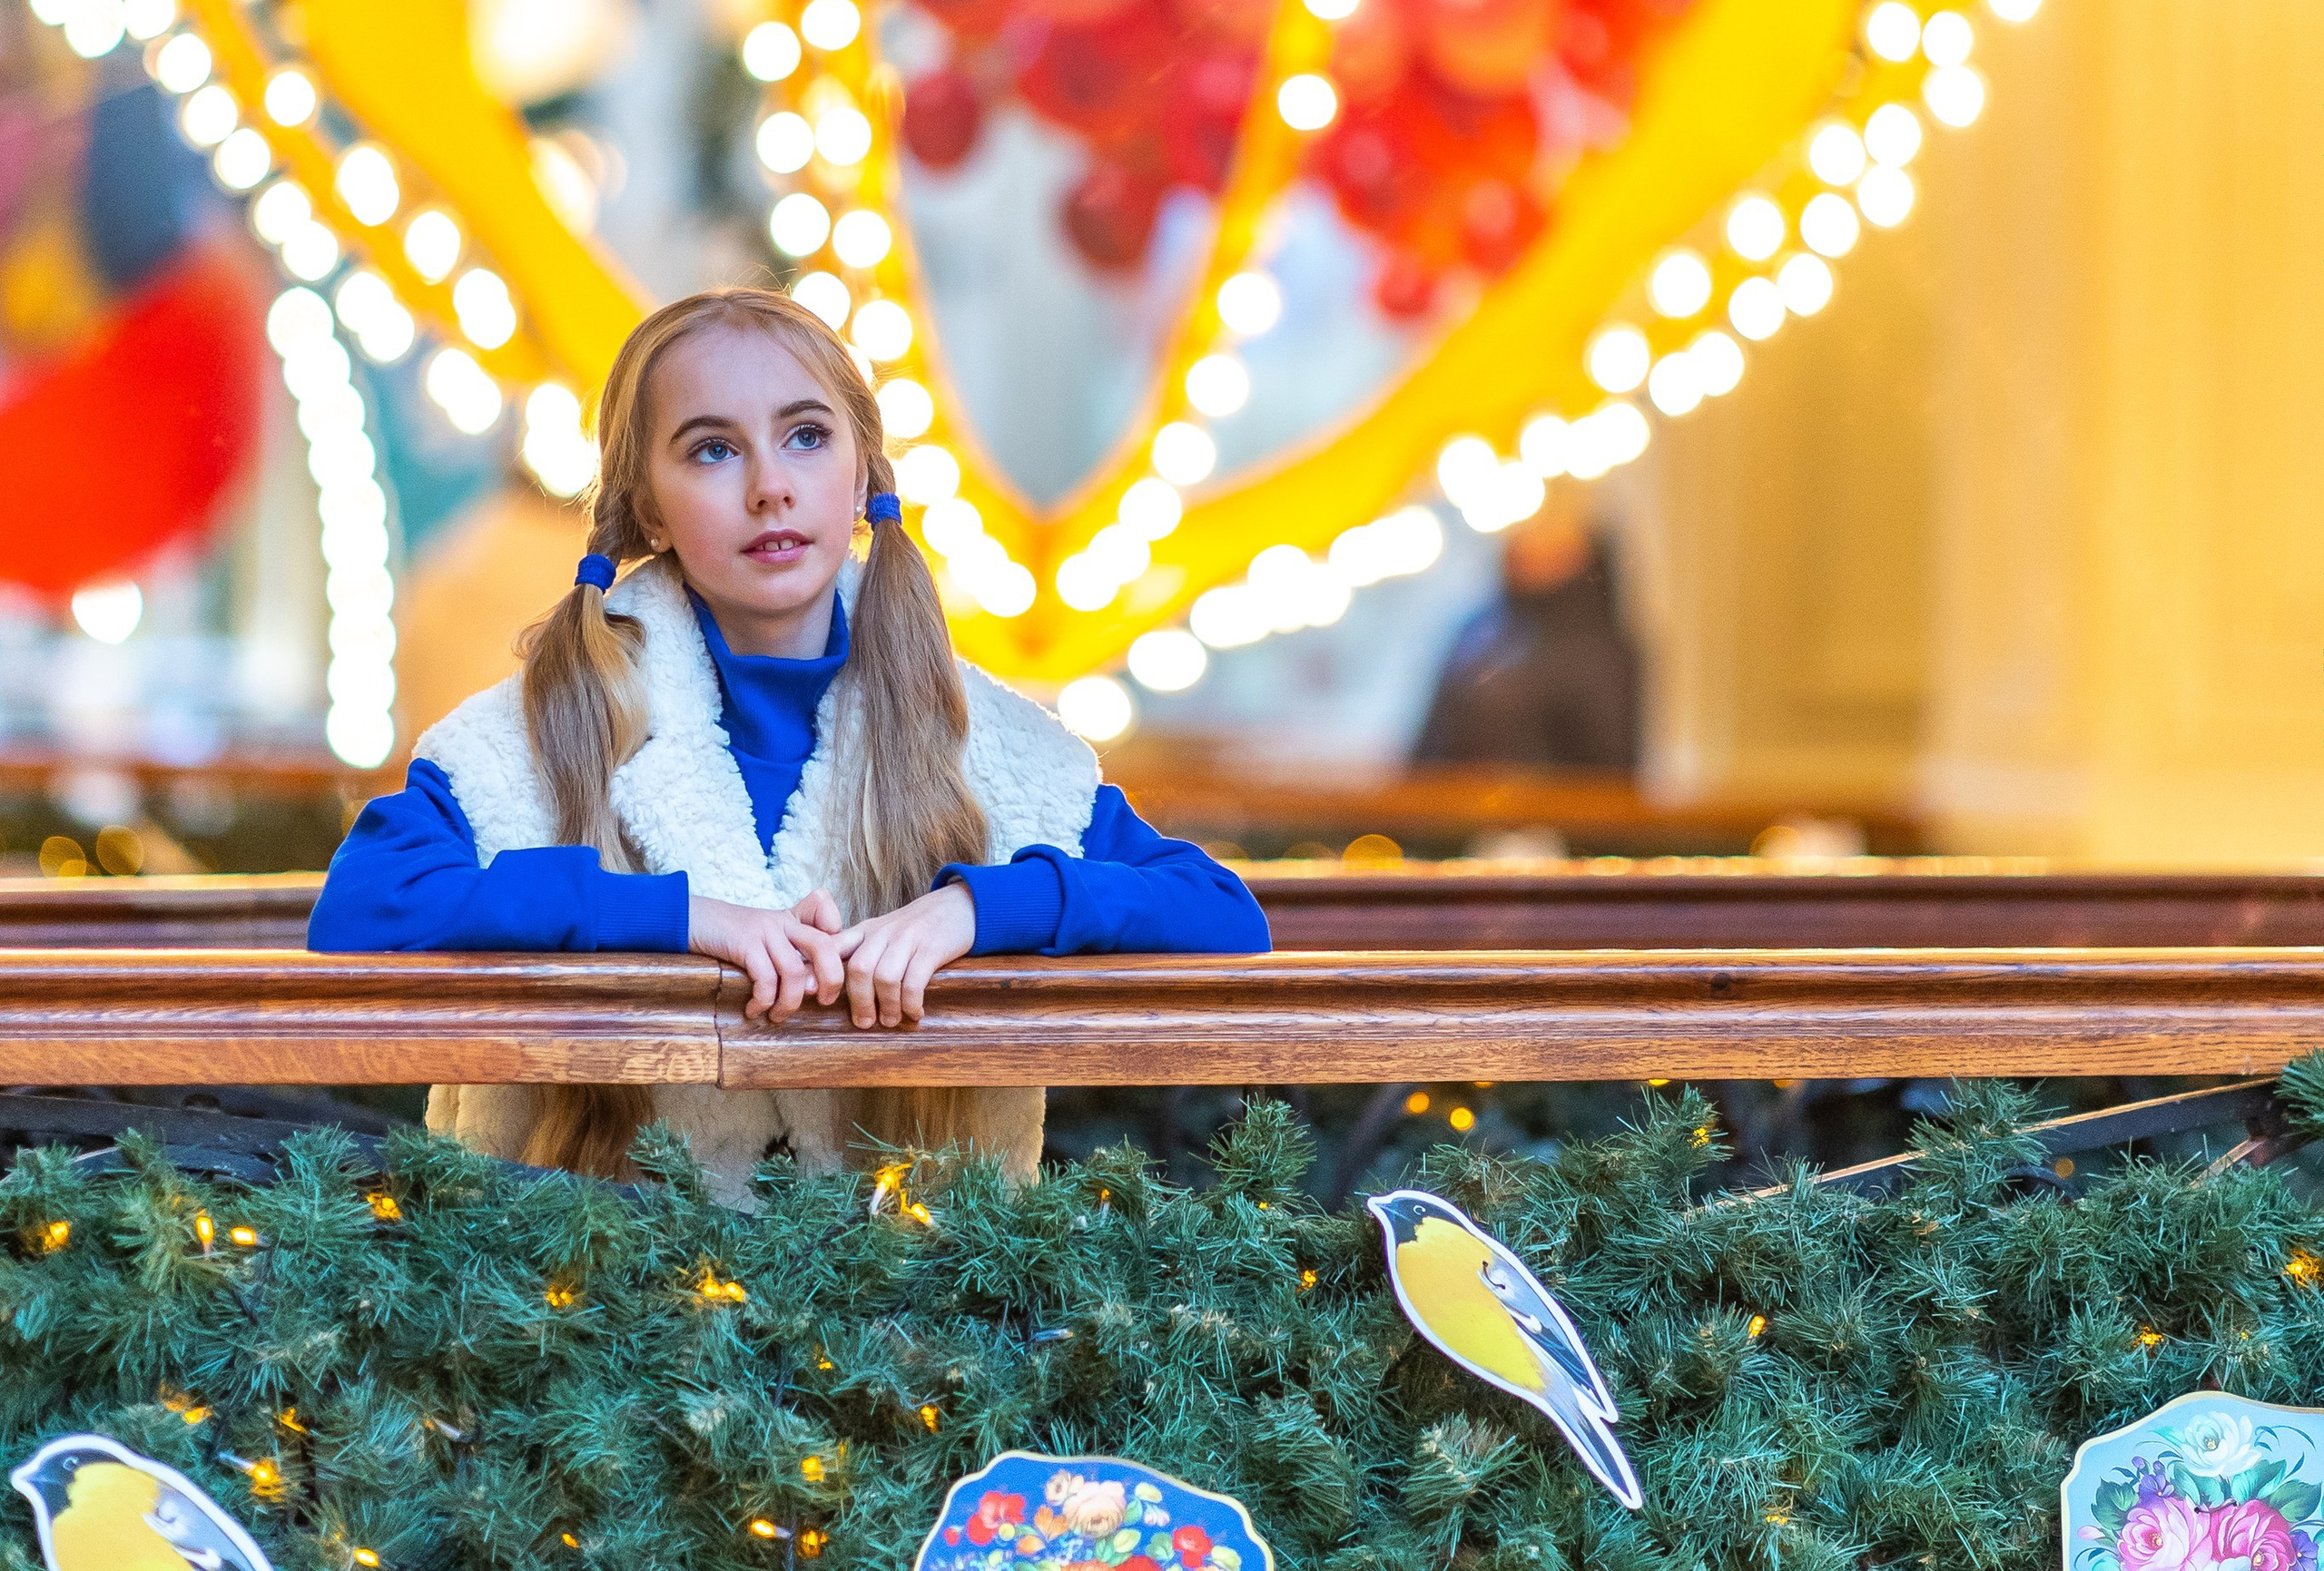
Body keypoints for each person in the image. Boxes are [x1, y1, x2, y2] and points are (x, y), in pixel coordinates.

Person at [310, 286, 1266, 1193]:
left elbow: (1221, 913)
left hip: (913, 1293)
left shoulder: (991, 740)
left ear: (861, 477)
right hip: (590, 1287)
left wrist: (974, 911)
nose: (770, 487)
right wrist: (678, 918)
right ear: (648, 508)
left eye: (806, 436)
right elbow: (361, 909)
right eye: (712, 450)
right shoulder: (536, 729)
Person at [1412, 491, 1641, 771]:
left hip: (1544, 796)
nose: (1526, 542)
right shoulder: (1480, 628)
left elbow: (1607, 764)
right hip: (1452, 793)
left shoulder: (1598, 647)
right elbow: (1431, 738)